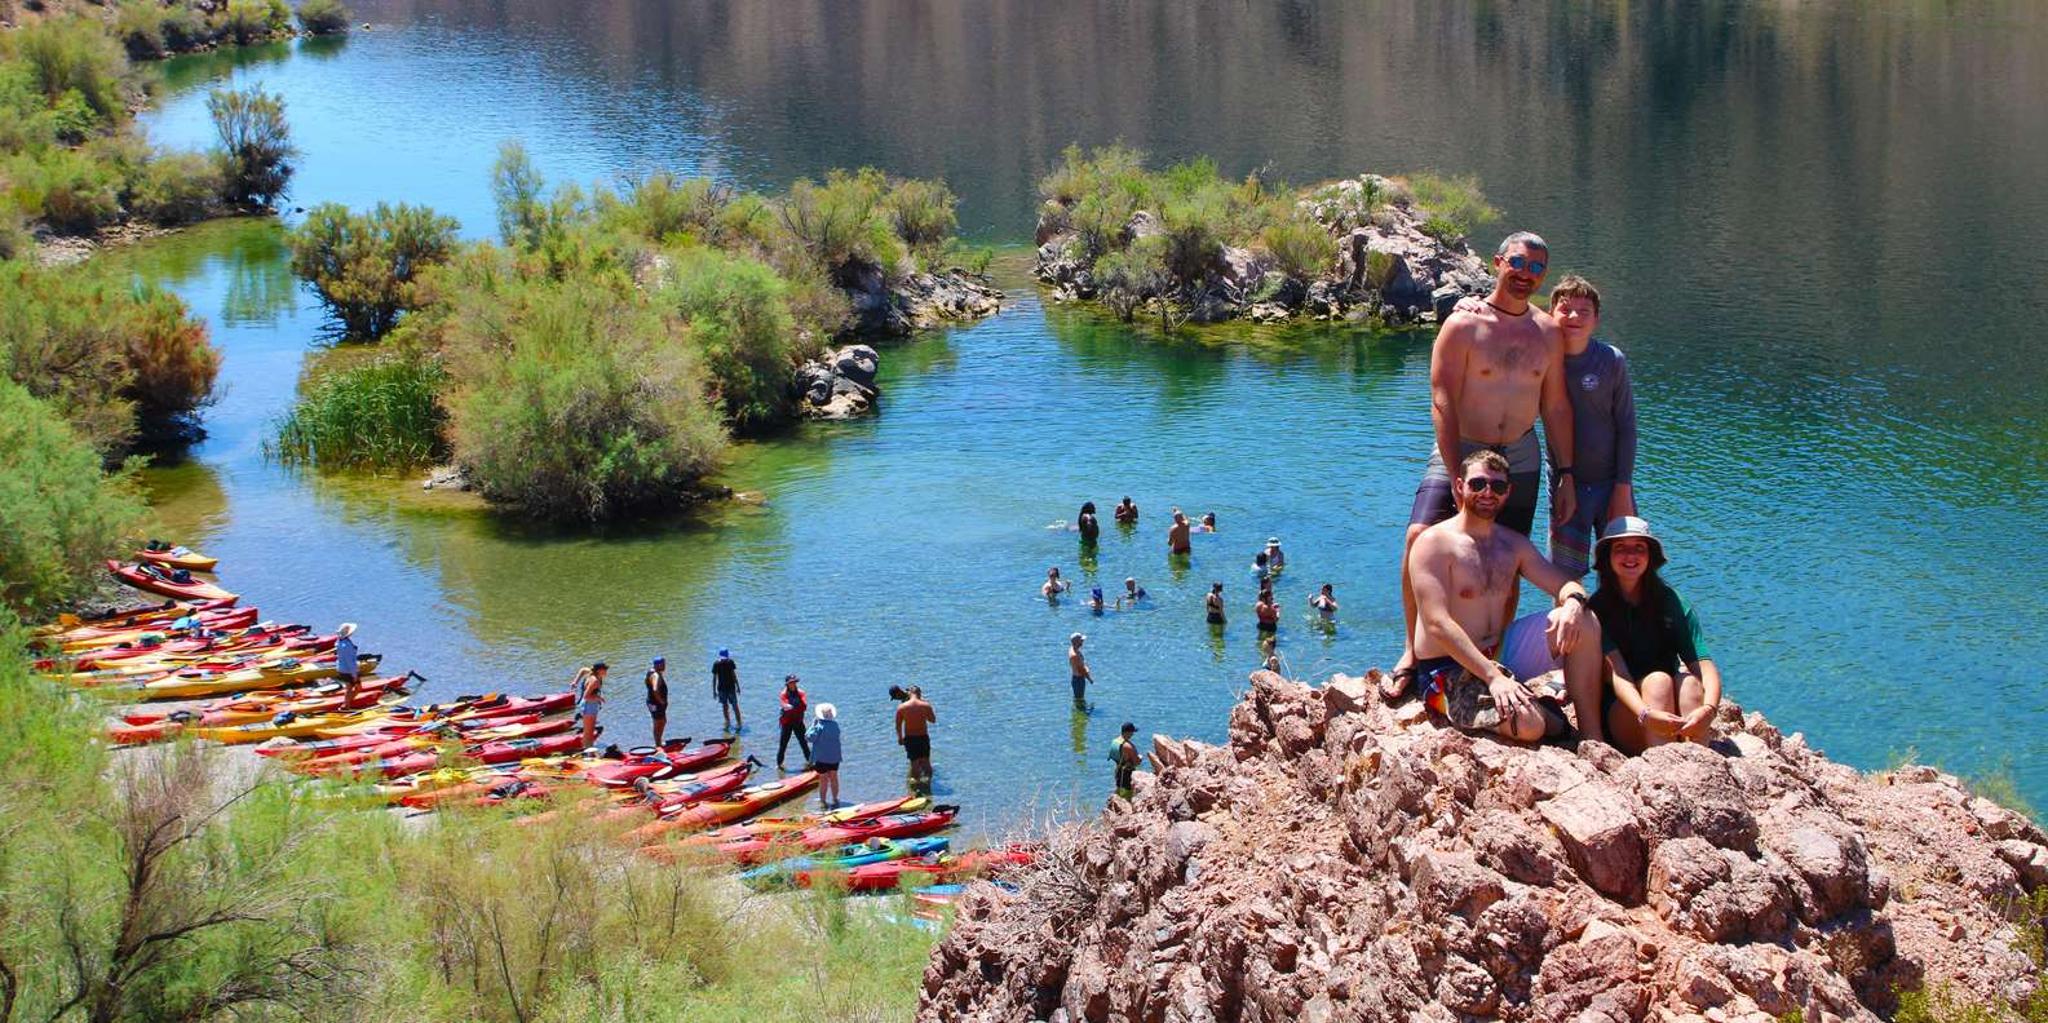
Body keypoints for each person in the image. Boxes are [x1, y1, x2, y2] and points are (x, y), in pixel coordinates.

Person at [1395, 231, 1578, 687]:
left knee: (1508, 552)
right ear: (1498, 262)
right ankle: (1410, 651)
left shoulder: (1548, 332)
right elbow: (1442, 399)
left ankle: (1491, 652)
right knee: (1419, 534)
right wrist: (1456, 467)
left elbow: (1554, 405)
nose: (1525, 274)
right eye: (1518, 262)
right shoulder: (1463, 325)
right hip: (1463, 445)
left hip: (1519, 450)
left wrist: (1567, 473)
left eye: (1537, 268)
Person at [1399, 450, 1606, 744]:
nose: (1487, 493)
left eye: (1497, 487)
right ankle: (1548, 717)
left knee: (1585, 621)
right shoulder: (1434, 543)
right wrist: (1493, 677)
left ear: (1507, 493)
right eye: (1478, 484)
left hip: (1500, 650)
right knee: (1529, 725)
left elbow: (1565, 584)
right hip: (1447, 667)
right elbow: (1436, 623)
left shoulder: (1513, 545)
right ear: (1459, 486)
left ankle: (1591, 738)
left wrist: (1573, 603)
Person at [1588, 517, 1721, 754]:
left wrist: (1709, 709)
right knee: (1658, 681)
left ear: (1650, 556)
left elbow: (1703, 664)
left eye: (1639, 547)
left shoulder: (1671, 602)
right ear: (1607, 557)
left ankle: (1698, 762)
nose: (1631, 556)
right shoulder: (1598, 609)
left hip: (1668, 709)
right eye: (1621, 548)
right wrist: (1645, 714)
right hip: (1627, 712)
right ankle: (1663, 769)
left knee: (1689, 683)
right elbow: (1619, 675)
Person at [895, 685, 936, 788]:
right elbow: (932, 720)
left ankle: (917, 786)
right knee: (926, 761)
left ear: (909, 693)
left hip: (910, 738)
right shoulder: (925, 705)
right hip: (923, 737)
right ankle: (928, 784)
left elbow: (898, 725)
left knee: (914, 763)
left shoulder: (902, 707)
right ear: (919, 693)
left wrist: (900, 738)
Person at [807, 703, 843, 807]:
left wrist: (812, 726)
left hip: (821, 758)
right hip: (835, 758)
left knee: (823, 779)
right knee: (834, 778)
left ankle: (823, 801)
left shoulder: (818, 726)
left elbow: (809, 738)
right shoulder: (835, 725)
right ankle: (835, 799)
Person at [776, 675, 811, 769]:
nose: (793, 684)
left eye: (794, 682)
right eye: (791, 682)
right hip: (787, 722)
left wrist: (792, 706)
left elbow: (804, 706)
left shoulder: (801, 693)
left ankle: (811, 763)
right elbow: (784, 705)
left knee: (804, 743)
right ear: (787, 684)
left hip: (798, 721)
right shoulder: (784, 693)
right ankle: (779, 765)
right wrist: (793, 706)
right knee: (783, 744)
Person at [573, 662, 608, 749]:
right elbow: (586, 696)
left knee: (588, 730)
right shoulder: (595, 681)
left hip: (588, 705)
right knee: (589, 731)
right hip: (589, 705)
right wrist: (599, 698)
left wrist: (575, 681)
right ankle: (587, 749)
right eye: (605, 669)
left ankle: (587, 747)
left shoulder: (591, 673)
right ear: (599, 670)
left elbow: (582, 670)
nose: (606, 672)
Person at [712, 647, 743, 730]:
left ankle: (729, 723)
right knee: (734, 706)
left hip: (722, 689)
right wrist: (738, 686)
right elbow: (734, 675)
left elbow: (714, 679)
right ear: (727, 655)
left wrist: (714, 691)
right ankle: (738, 723)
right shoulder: (730, 662)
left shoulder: (716, 664)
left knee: (726, 706)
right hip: (730, 688)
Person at [644, 656, 669, 746]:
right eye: (663, 664)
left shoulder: (651, 672)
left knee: (659, 721)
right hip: (656, 703)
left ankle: (658, 742)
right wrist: (661, 701)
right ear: (658, 665)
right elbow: (655, 689)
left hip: (651, 702)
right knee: (660, 722)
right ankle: (658, 744)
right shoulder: (656, 675)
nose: (665, 666)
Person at [333, 622, 360, 704]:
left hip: (341, 668)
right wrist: (354, 674)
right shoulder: (346, 645)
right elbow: (350, 661)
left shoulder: (339, 642)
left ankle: (346, 703)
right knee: (356, 687)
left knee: (349, 687)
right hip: (348, 670)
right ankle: (346, 705)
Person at [1067, 632, 1094, 710]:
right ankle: (1080, 715)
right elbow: (1081, 670)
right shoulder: (1074, 655)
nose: (1083, 642)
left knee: (1078, 699)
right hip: (1079, 680)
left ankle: (1078, 714)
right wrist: (1089, 679)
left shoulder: (1072, 649)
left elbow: (1081, 665)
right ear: (1076, 642)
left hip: (1076, 678)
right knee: (1080, 699)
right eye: (1081, 640)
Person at [1112, 722, 1140, 795]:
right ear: (1127, 732)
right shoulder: (1128, 746)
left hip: (1118, 772)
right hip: (1127, 775)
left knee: (1119, 792)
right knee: (1127, 795)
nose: (1132, 734)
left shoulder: (1115, 742)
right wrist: (1140, 758)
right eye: (1132, 732)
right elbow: (1136, 762)